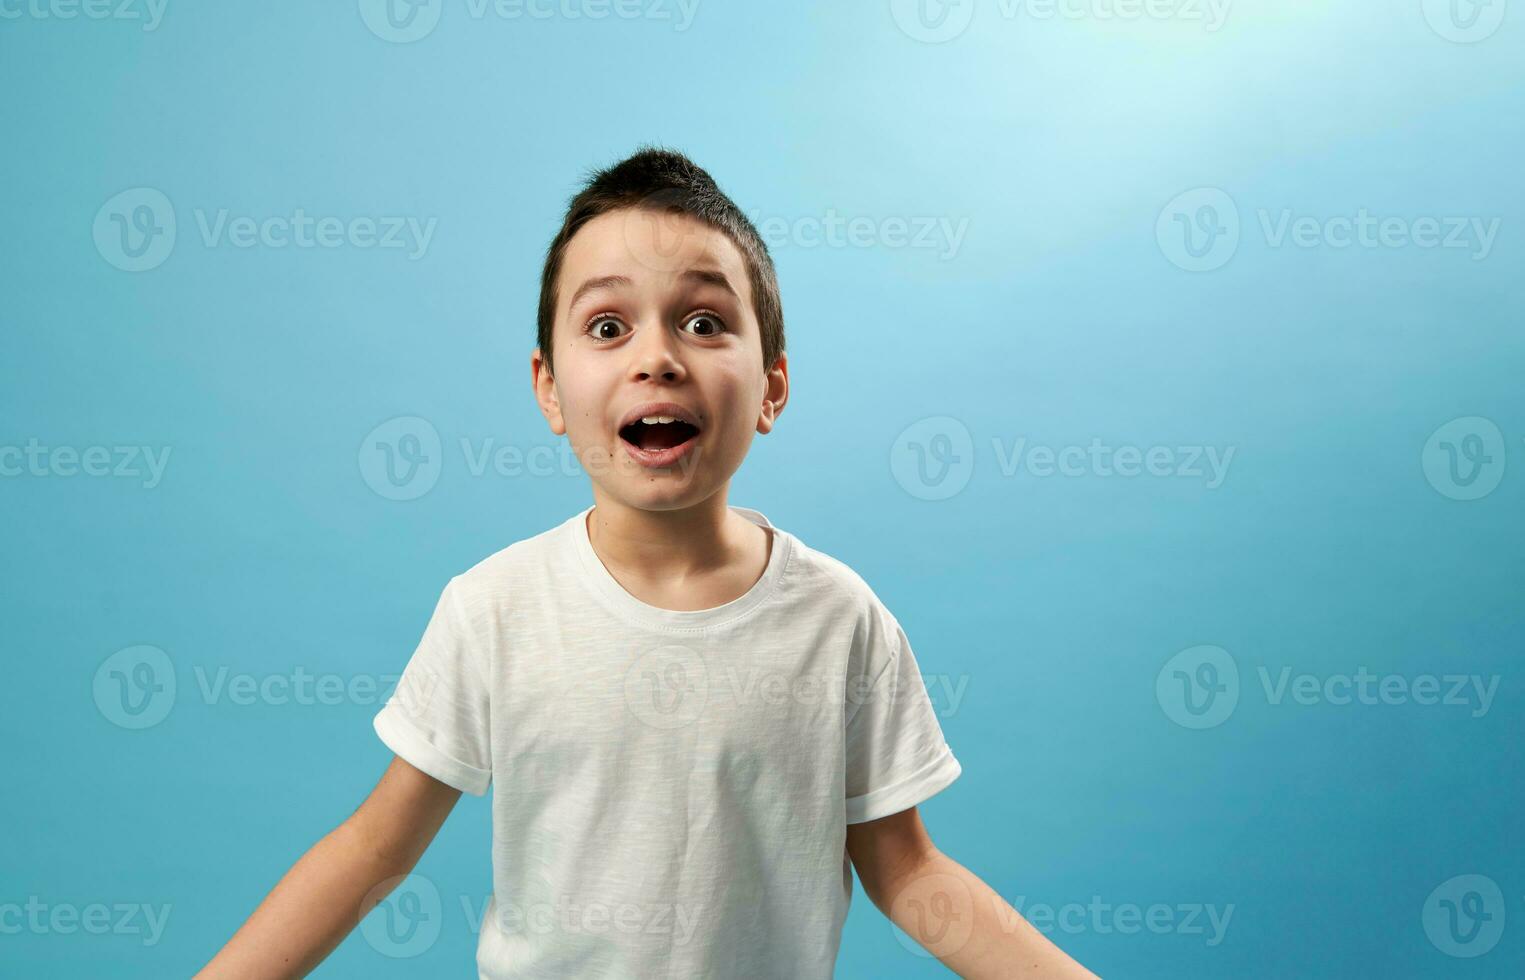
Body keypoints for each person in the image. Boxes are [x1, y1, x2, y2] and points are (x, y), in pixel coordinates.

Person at [197, 146, 1098, 979]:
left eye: (704, 321)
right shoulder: (495, 608)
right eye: (606, 327)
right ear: (549, 387)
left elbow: (906, 872)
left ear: (772, 386)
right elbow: (373, 848)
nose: (656, 358)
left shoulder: (838, 621)